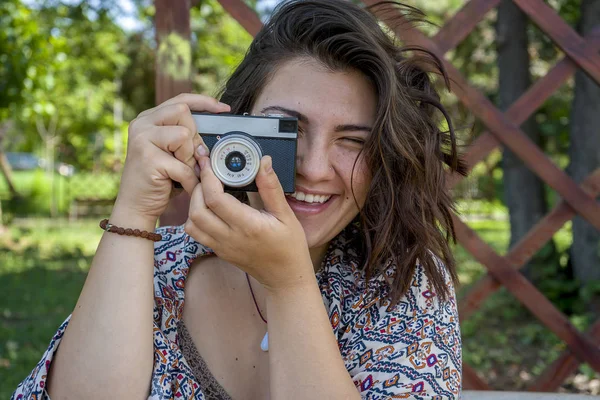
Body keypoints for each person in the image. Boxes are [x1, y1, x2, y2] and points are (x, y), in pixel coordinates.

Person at [12, 0, 465, 398]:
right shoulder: (157, 262)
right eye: (287, 130)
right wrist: (133, 212)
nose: (313, 167)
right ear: (232, 126)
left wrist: (288, 284)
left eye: (353, 141)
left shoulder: (404, 285)